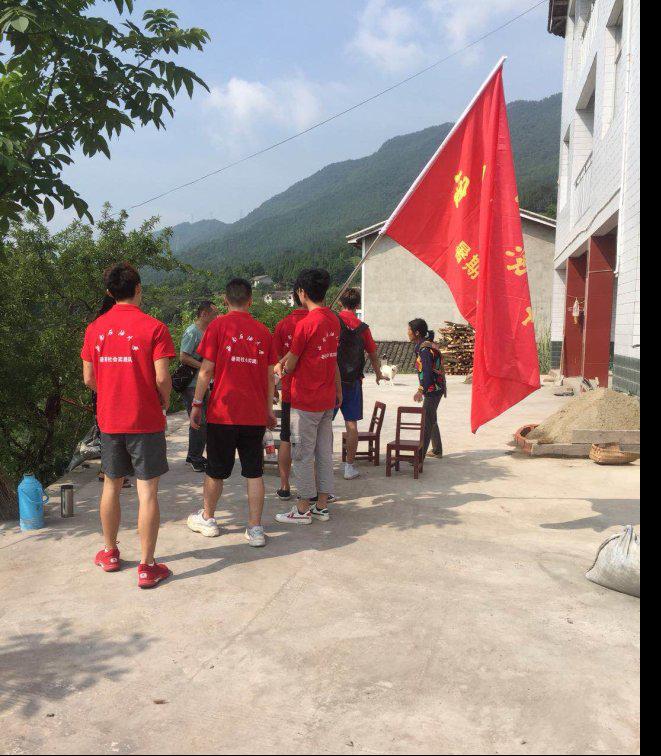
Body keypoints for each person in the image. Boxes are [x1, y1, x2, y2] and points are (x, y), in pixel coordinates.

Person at [81, 262, 176, 589]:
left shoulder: (95, 328)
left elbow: (88, 378)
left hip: (110, 419)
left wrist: (111, 391)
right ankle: (147, 567)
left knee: (111, 484)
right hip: (145, 419)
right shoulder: (155, 328)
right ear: (138, 288)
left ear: (110, 292)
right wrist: (164, 400)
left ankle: (109, 553)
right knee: (147, 490)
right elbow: (162, 378)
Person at [187, 278, 278, 547]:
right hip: (254, 415)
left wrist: (196, 404)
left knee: (215, 470)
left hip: (223, 414)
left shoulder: (217, 327)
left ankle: (208, 519)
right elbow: (270, 377)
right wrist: (269, 410)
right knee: (254, 472)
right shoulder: (263, 332)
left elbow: (206, 370)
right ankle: (255, 528)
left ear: (225, 300)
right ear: (250, 301)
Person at [275, 269, 342, 525]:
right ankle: (321, 505)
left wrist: (281, 369)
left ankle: (303, 508)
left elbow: (292, 363)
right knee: (324, 453)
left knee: (303, 454)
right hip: (326, 399)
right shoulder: (333, 320)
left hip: (305, 400)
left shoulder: (305, 324)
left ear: (302, 292)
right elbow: (309, 353)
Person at [336, 287, 385, 480]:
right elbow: (372, 353)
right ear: (358, 305)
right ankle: (349, 467)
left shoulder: (334, 321)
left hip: (333, 381)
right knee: (352, 425)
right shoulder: (363, 328)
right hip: (353, 381)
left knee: (324, 423)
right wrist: (378, 373)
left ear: (340, 303)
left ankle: (321, 465)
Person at [273, 290, 309, 500]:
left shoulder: (282, 325)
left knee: (286, 439)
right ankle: (312, 489)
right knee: (312, 443)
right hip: (313, 392)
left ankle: (285, 486)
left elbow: (277, 359)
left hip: (289, 390)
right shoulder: (319, 322)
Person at [180, 301, 219, 472]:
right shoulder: (192, 332)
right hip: (191, 384)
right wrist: (204, 367)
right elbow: (183, 357)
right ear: (204, 314)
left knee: (204, 421)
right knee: (198, 421)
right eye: (214, 314)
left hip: (203, 383)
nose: (216, 317)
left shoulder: (207, 332)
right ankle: (195, 457)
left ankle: (194, 455)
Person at [408, 318, 447, 459]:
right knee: (431, 418)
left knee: (426, 421)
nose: (408, 332)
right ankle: (437, 450)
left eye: (409, 330)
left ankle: (419, 457)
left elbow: (428, 374)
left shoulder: (425, 350)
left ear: (417, 333)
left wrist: (420, 391)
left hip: (433, 389)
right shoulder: (425, 346)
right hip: (436, 387)